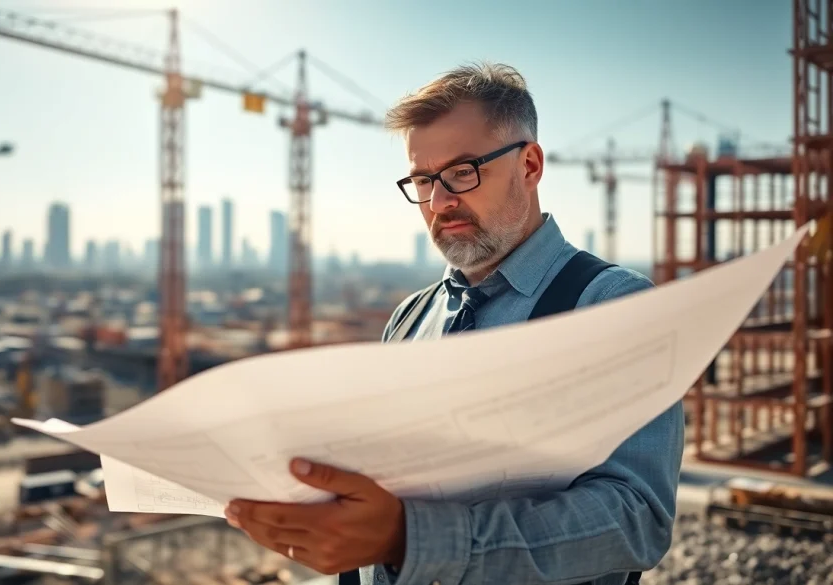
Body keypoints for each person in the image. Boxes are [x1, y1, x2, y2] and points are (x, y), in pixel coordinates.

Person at [224, 62, 684, 585]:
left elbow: (636, 519)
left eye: (463, 171)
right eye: (423, 180)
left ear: (530, 165)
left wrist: (413, 540)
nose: (440, 202)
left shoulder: (611, 305)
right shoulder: (409, 318)